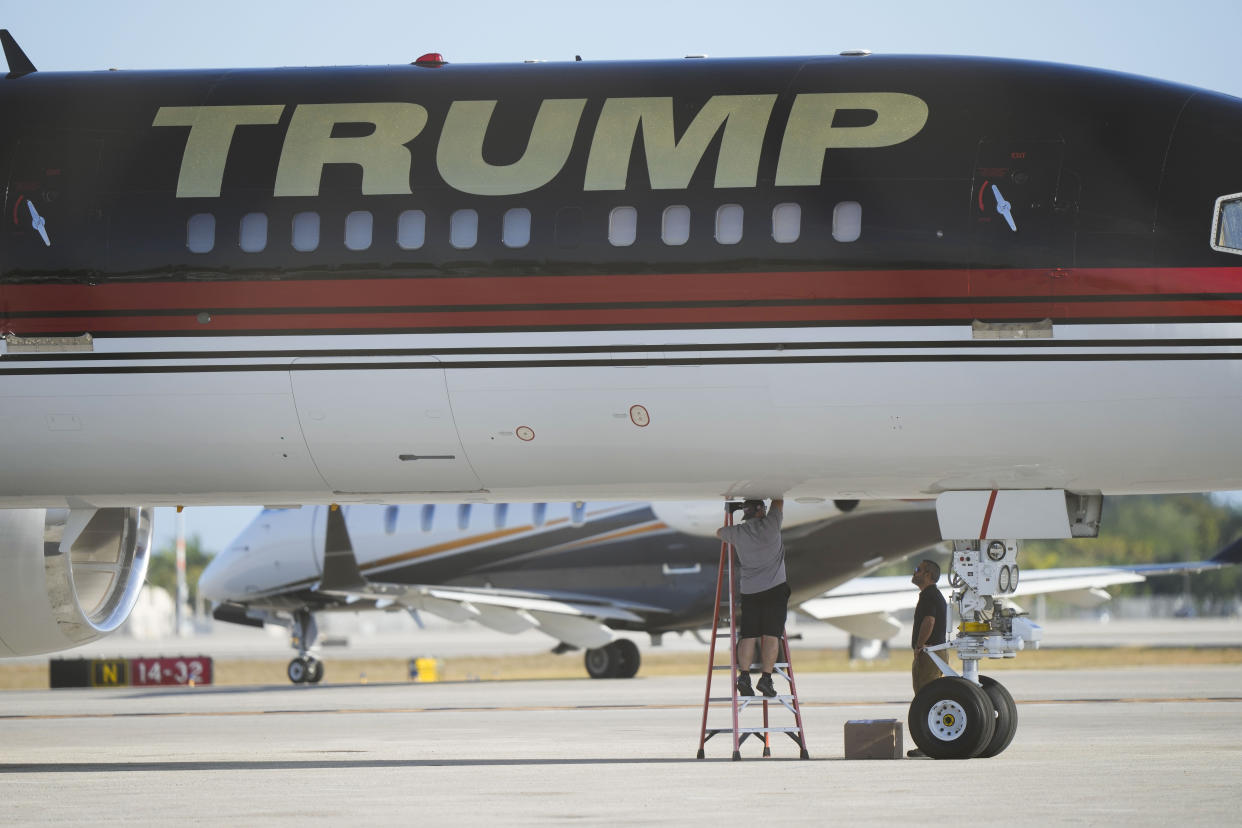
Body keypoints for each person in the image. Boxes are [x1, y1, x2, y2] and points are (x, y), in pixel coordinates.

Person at [716, 498, 788, 698]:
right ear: (759, 511)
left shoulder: (738, 533)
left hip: (750, 591)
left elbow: (719, 532)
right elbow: (779, 502)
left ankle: (744, 676)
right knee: (772, 635)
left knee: (748, 635)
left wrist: (734, 511)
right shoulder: (771, 525)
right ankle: (766, 678)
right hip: (775, 589)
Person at [908, 557, 947, 757]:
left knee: (925, 700)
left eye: (918, 569)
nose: (914, 572)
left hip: (930, 653)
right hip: (934, 652)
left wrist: (920, 646)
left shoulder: (929, 596)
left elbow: (929, 621)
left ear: (928, 575)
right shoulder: (931, 595)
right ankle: (928, 743)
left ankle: (927, 745)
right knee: (926, 697)